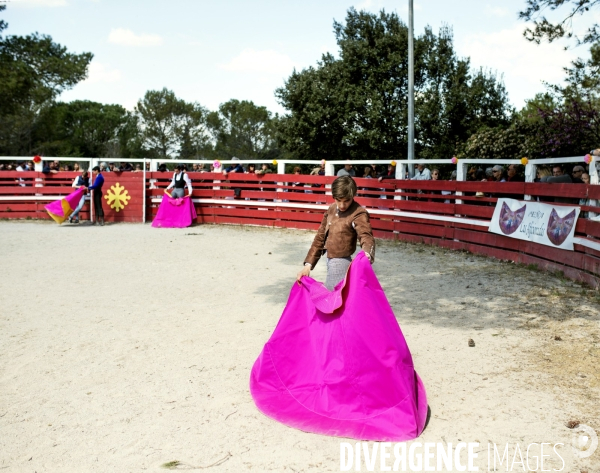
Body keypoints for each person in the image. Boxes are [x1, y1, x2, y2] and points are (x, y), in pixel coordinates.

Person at [296, 176, 375, 291]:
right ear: (334, 197)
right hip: (329, 259)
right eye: (339, 200)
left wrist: (366, 254)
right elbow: (320, 237)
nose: (342, 205)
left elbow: (366, 236)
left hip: (340, 262)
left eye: (346, 201)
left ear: (353, 196)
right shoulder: (332, 209)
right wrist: (308, 265)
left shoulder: (358, 213)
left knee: (332, 299)